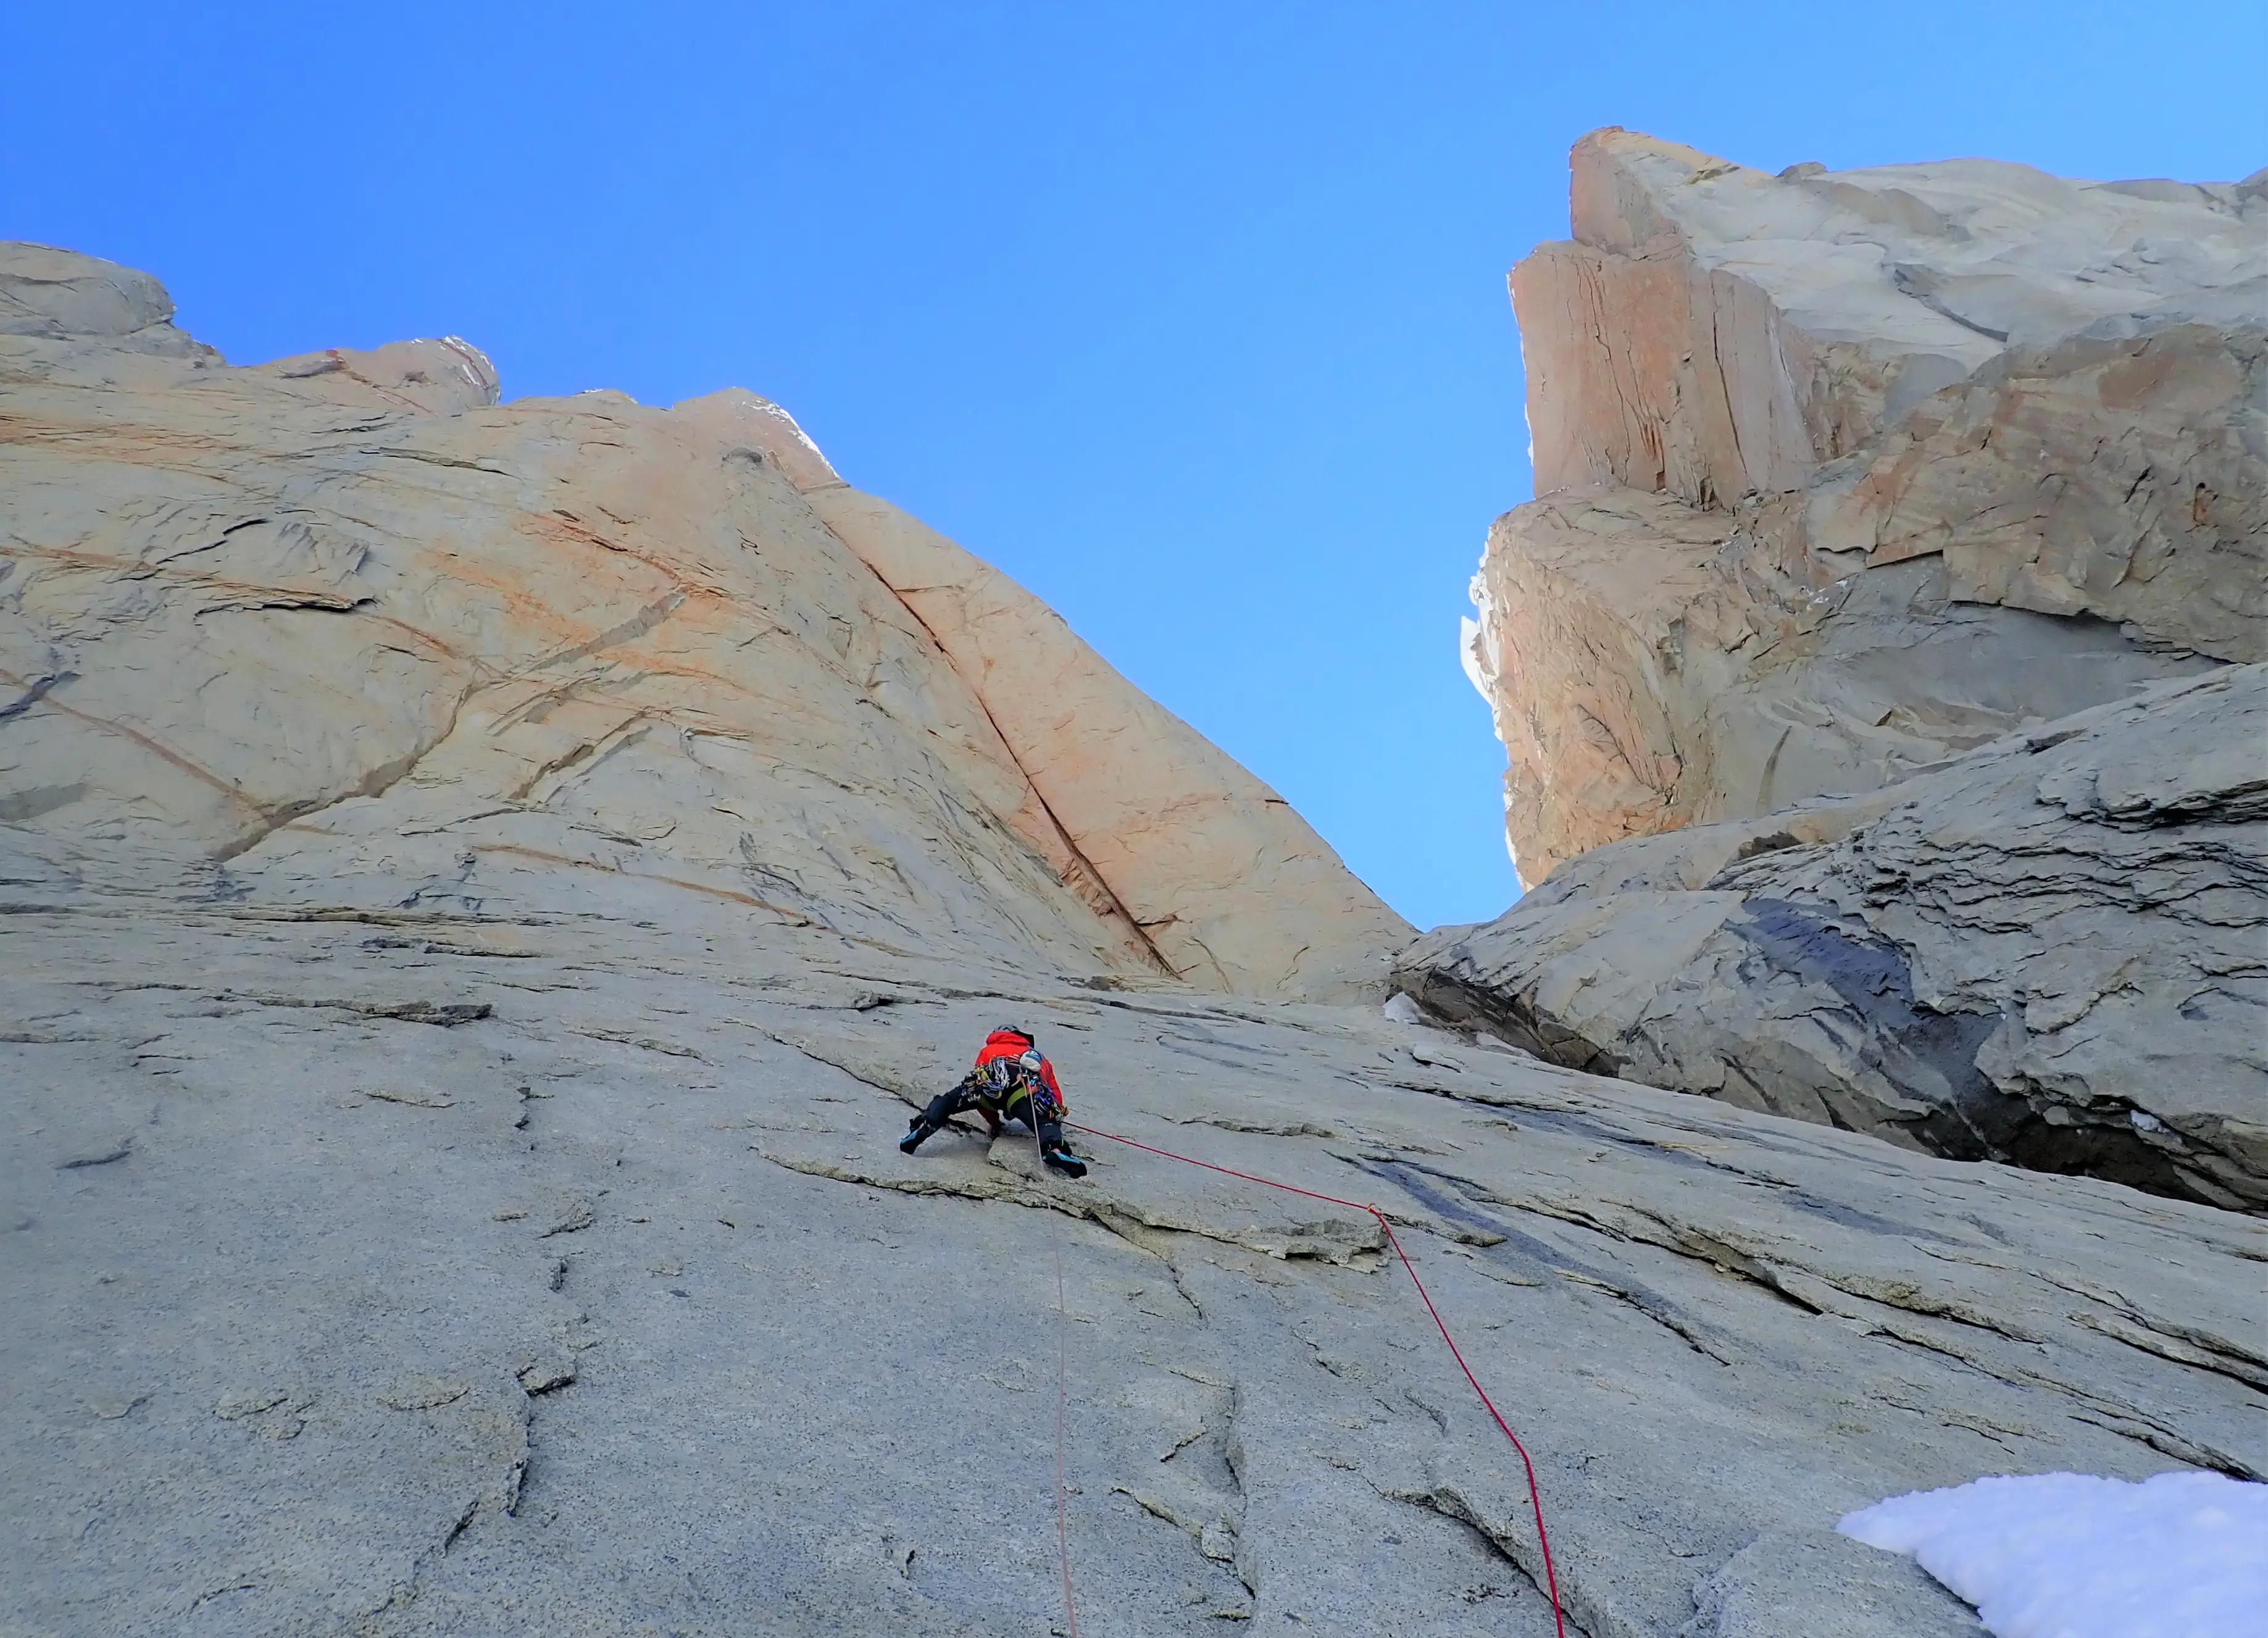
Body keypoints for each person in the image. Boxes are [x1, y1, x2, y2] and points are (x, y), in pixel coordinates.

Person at [899, 1026, 1087, 1177]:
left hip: (989, 1084)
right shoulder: (1040, 1059)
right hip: (1024, 1090)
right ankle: (1053, 1148)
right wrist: (1054, 1118)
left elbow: (979, 1087)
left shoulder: (989, 1050)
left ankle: (926, 1124)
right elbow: (1053, 1094)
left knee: (948, 1101)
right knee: (1045, 1122)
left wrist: (994, 1122)